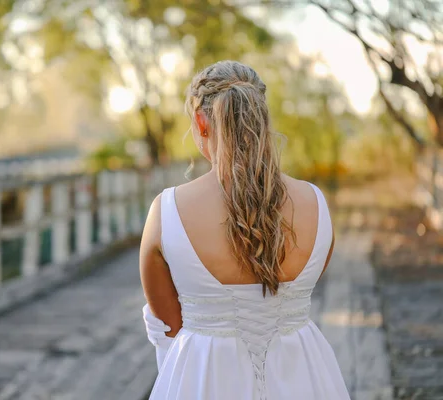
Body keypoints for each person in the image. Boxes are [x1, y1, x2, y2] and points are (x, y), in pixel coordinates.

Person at [139, 60, 350, 400]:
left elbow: (170, 331)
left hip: (206, 382)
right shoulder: (315, 203)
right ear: (261, 119)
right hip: (304, 380)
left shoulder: (166, 212)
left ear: (200, 121)